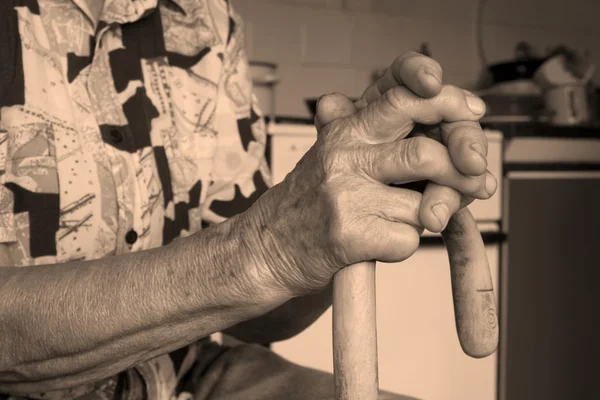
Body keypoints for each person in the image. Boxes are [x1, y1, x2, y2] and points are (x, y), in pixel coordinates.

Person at [0, 0, 496, 399]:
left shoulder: (205, 19)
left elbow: (261, 319)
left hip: (186, 378)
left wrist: (331, 228)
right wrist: (261, 250)